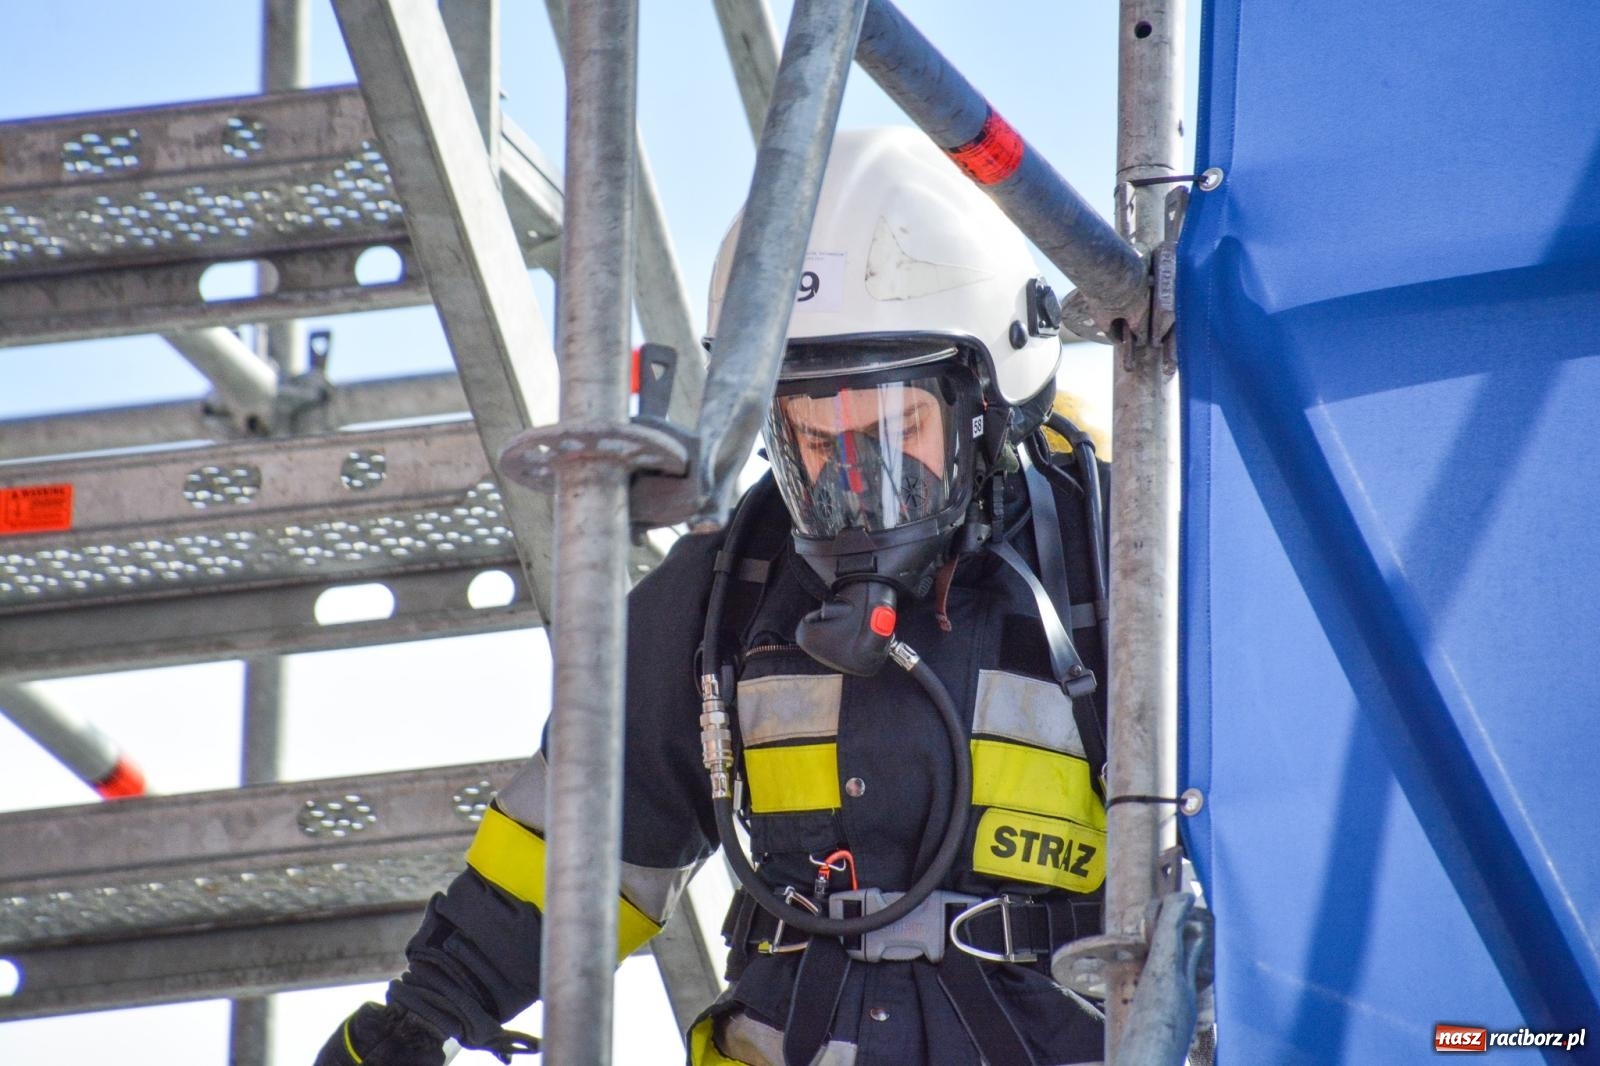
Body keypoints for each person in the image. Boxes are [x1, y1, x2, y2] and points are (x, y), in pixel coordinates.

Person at [316, 126, 1112, 1066]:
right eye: (815, 438)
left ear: (990, 398)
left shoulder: (1112, 565)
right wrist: (428, 1012)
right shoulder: (734, 586)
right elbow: (590, 835)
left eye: (895, 426)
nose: (856, 481)